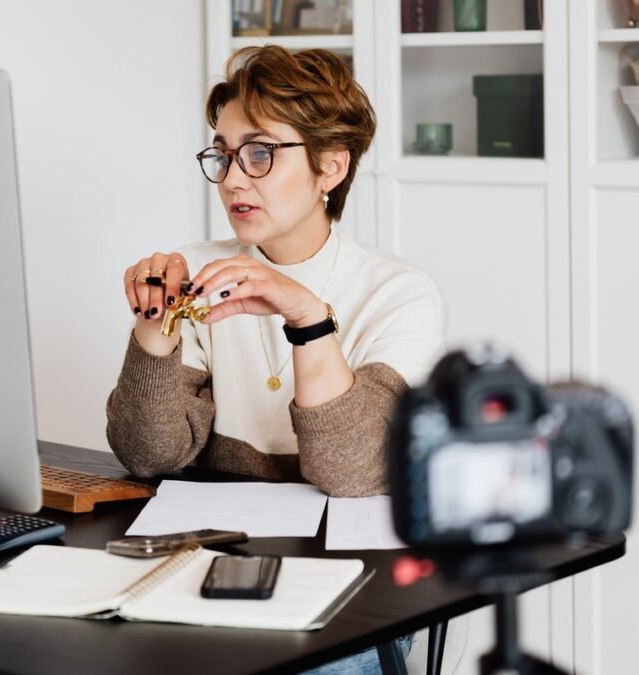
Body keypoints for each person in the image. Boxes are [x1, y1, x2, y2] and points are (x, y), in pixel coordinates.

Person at [106, 46, 443, 673]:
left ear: (330, 167)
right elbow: (148, 453)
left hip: (353, 593)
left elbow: (353, 473)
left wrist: (308, 320)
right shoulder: (199, 271)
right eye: (224, 154)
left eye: (260, 152)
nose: (234, 178)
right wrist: (156, 325)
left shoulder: (398, 294)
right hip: (212, 567)